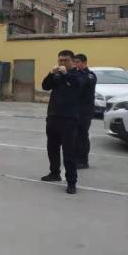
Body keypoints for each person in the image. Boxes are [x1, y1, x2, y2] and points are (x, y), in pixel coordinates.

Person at [41, 50, 84, 194]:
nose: (62, 63)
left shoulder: (78, 74)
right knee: (52, 148)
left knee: (69, 151)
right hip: (53, 116)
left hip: (69, 119)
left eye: (65, 60)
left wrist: (66, 74)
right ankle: (54, 173)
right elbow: (45, 86)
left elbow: (78, 86)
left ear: (72, 61)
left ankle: (71, 182)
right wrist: (51, 73)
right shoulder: (57, 74)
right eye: (60, 60)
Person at [74, 53, 96, 170]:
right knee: (75, 135)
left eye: (77, 62)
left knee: (82, 135)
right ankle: (76, 158)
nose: (75, 64)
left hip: (85, 111)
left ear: (84, 63)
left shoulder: (90, 75)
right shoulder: (75, 73)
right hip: (75, 110)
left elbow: (81, 84)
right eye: (74, 62)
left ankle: (83, 160)